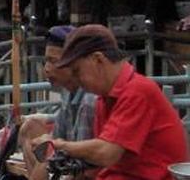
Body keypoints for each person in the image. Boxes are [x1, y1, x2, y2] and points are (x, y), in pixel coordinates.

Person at [37, 24, 188, 178]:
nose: (75, 78)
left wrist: (60, 145)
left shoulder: (138, 90)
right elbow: (96, 165)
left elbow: (106, 153)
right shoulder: (104, 100)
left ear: (98, 60)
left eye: (77, 71)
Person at [18, 26, 97, 180]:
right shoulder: (68, 94)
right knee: (30, 131)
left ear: (74, 63)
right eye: (46, 61)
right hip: (70, 167)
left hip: (87, 173)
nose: (46, 69)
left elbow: (82, 170)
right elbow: (52, 152)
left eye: (53, 61)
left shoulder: (90, 100)